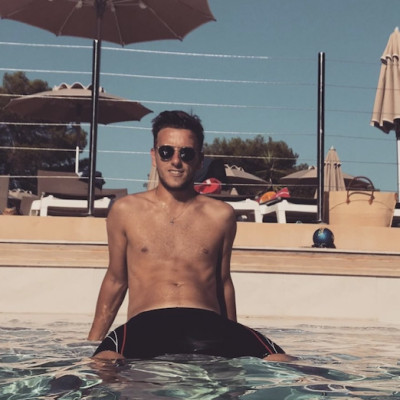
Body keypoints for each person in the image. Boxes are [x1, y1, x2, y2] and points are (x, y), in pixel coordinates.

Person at [88, 110, 293, 361]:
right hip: (146, 326)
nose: (176, 161)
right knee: (103, 364)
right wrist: (92, 342)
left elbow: (223, 282)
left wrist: (234, 343)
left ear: (199, 160)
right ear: (154, 156)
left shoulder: (221, 215)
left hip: (208, 324)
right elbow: (116, 280)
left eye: (186, 153)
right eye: (166, 152)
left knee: (288, 365)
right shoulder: (125, 210)